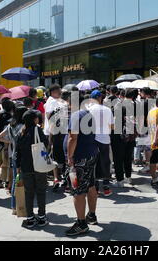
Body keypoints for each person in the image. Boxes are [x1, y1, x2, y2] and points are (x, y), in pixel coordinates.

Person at [65, 97, 99, 236]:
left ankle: (81, 223)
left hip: (79, 159)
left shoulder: (76, 115)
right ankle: (91, 215)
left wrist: (69, 156)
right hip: (90, 155)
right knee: (90, 185)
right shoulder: (87, 114)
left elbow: (73, 137)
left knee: (78, 191)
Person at [17, 110, 49, 229]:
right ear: (33, 119)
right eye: (36, 117)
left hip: (26, 167)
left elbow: (17, 151)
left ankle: (30, 218)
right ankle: (41, 217)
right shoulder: (37, 130)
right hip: (39, 166)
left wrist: (18, 167)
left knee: (28, 193)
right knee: (41, 191)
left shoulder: (21, 132)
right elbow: (45, 144)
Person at [0, 105, 28, 213]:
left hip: (14, 155)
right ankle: (23, 206)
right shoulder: (24, 126)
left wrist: (11, 142)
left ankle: (14, 206)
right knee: (25, 180)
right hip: (24, 156)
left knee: (15, 180)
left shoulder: (10, 126)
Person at [88, 90, 114, 197]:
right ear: (100, 98)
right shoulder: (107, 110)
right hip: (105, 139)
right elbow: (112, 126)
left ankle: (96, 189)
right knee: (105, 162)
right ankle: (106, 187)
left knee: (93, 163)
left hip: (92, 139)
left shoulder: (88, 110)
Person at [44, 84, 68, 192]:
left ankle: (57, 178)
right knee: (55, 155)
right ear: (53, 92)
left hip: (55, 131)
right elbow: (50, 117)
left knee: (54, 155)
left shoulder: (54, 101)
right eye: (59, 92)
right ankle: (56, 178)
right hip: (53, 132)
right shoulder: (52, 101)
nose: (60, 93)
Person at [112, 89, 137, 187]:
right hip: (131, 135)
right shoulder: (136, 105)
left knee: (118, 158)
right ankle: (128, 177)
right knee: (128, 157)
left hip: (119, 136)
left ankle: (120, 180)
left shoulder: (119, 105)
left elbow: (115, 122)